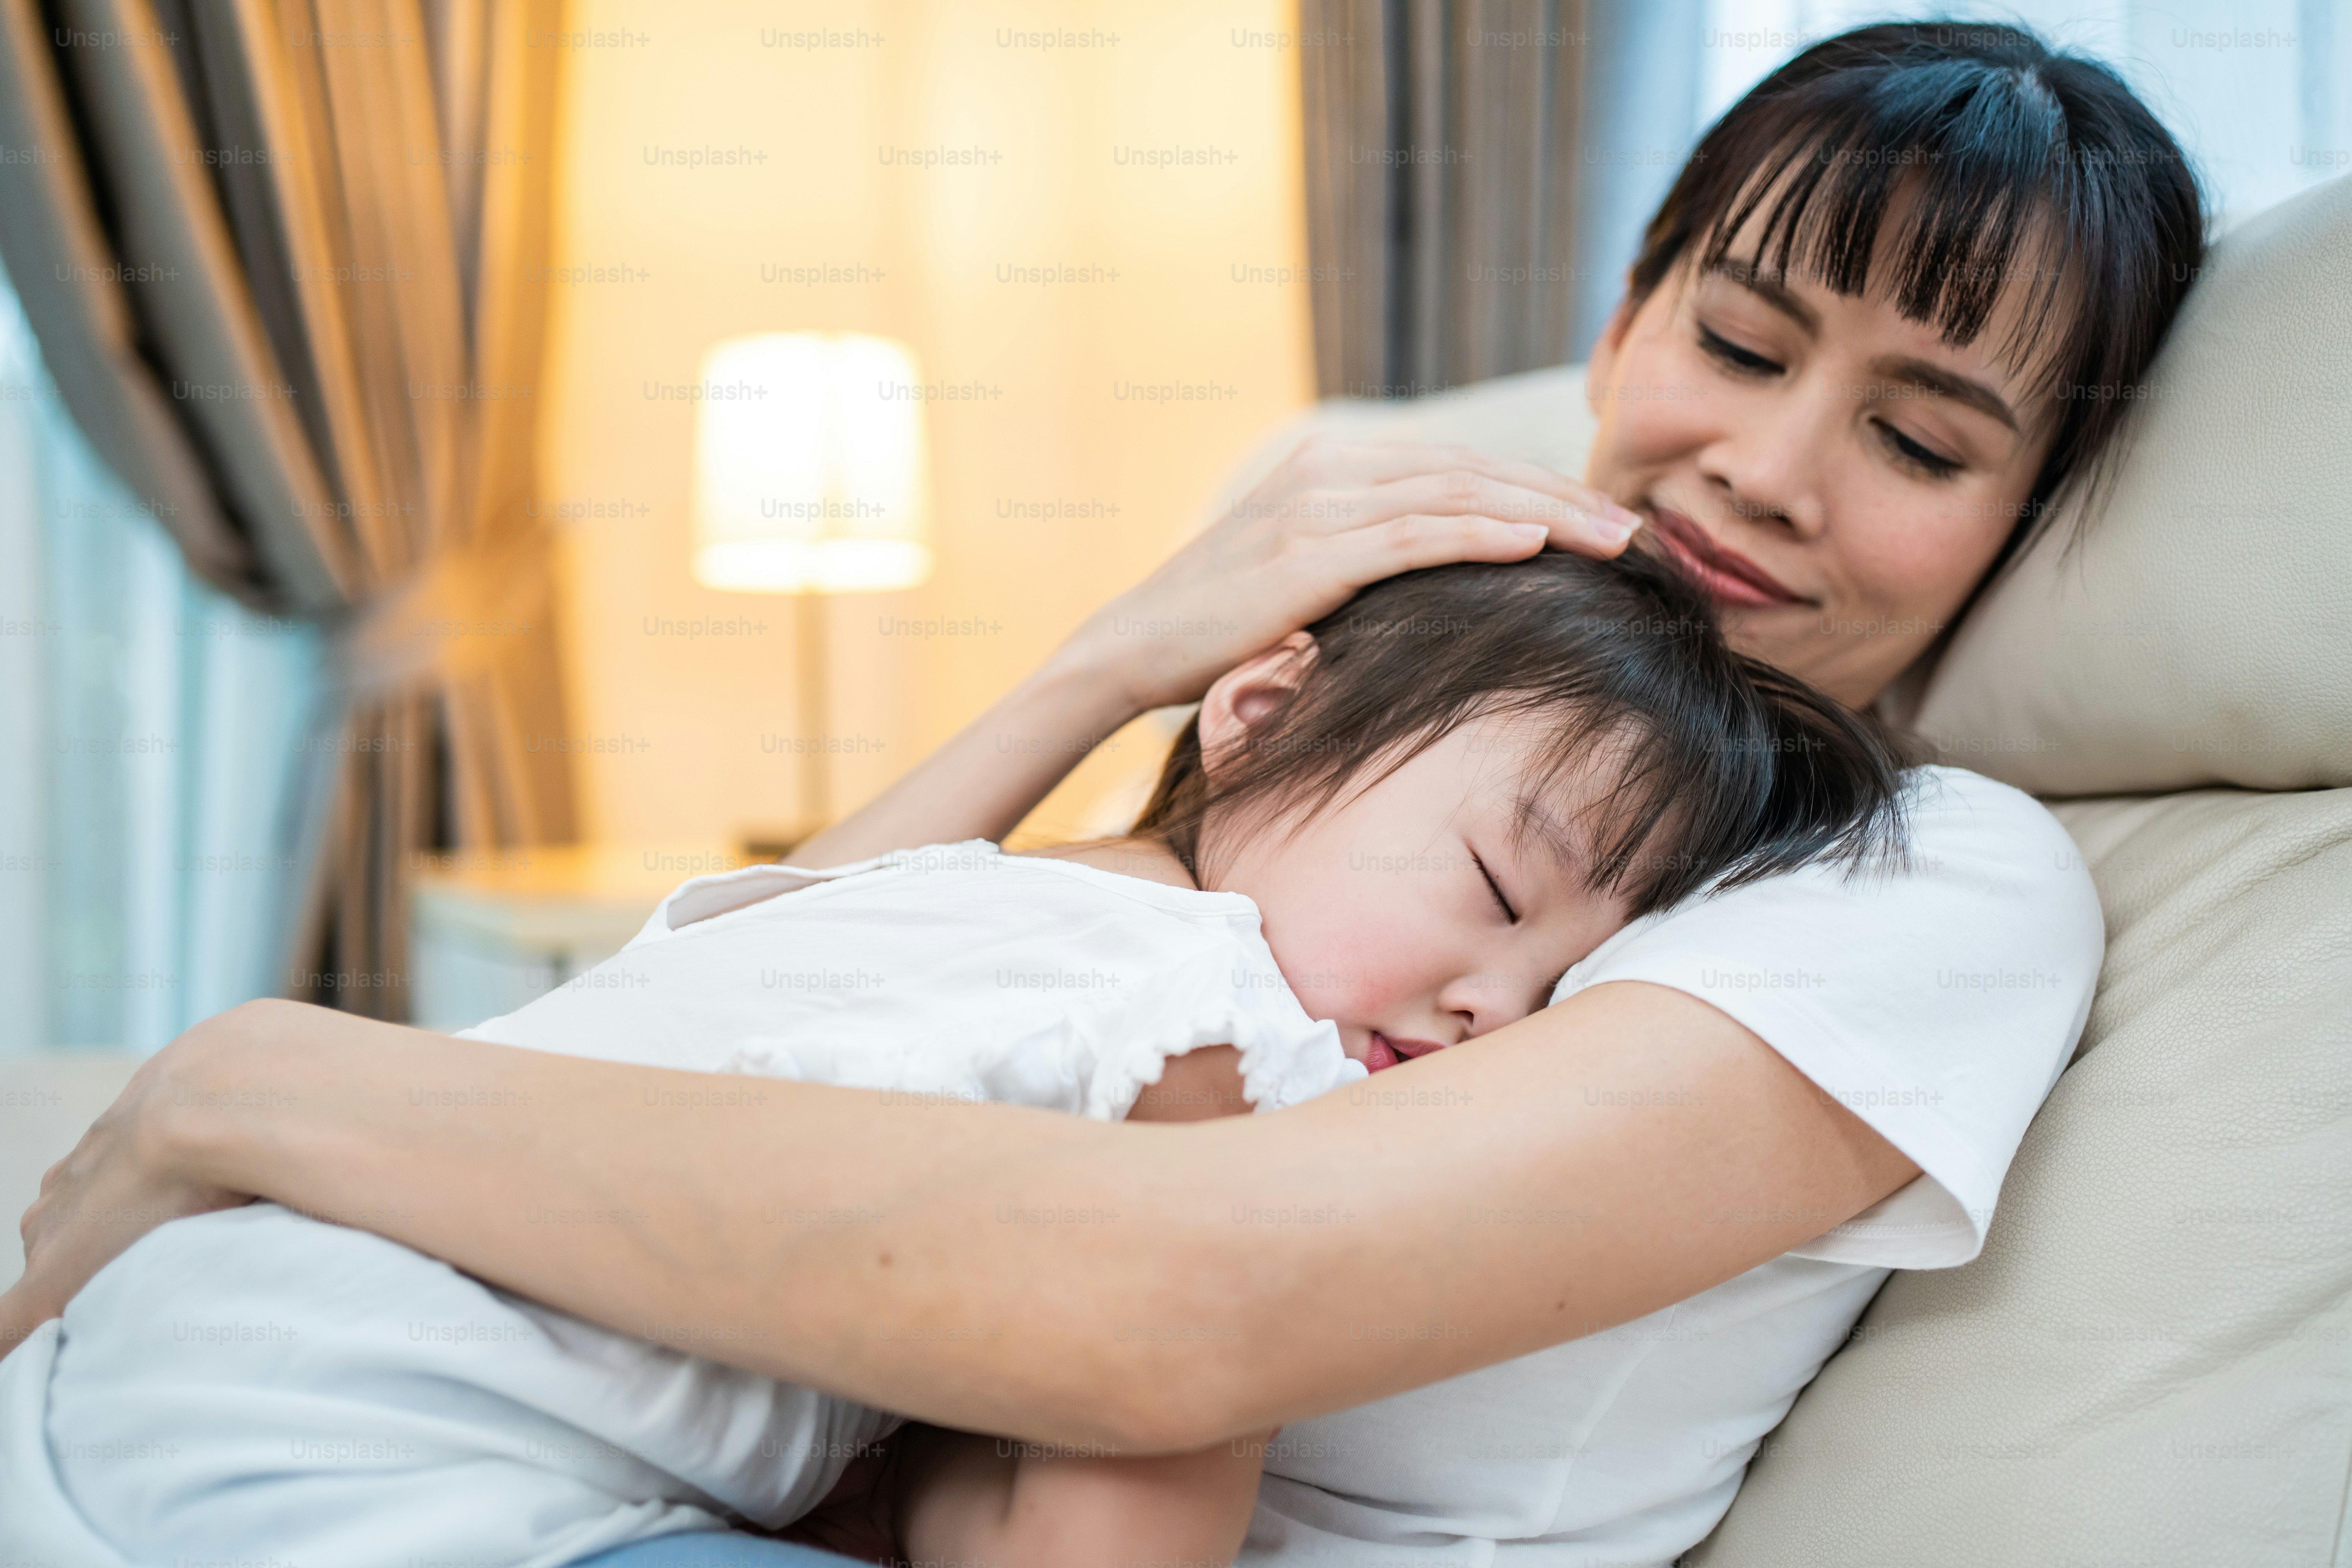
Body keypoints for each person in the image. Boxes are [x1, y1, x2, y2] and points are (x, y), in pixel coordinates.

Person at [1, 22, 2202, 1568]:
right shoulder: (1415, 689)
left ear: (2025, 519)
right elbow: (762, 1027)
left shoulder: (1931, 876)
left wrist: (271, 1086)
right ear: (1624, 321)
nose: (1770, 468)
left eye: (1921, 440)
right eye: (1737, 343)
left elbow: (1174, 1308)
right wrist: (1107, 661)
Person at [3, 554, 1901, 1568]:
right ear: (1253, 714)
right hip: (395, 1502)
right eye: (1493, 888)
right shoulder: (1222, 1038)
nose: (1495, 1012)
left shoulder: (912, 888)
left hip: (114, 1392)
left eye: (1562, 991)